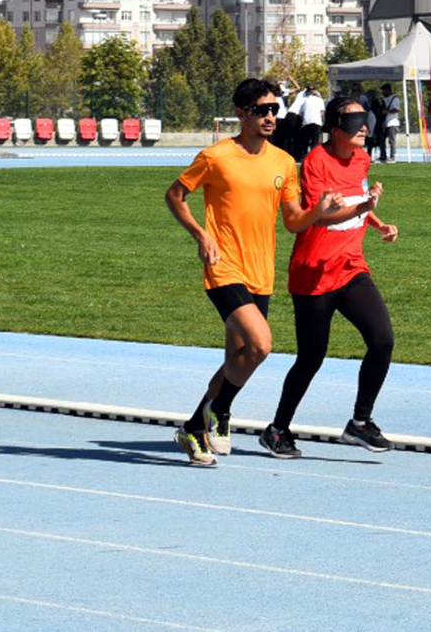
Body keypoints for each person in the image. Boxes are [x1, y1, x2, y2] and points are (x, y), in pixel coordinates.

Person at [165, 78, 344, 466]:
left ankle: (197, 425)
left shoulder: (282, 161)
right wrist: (200, 235)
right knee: (261, 345)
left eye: (274, 110)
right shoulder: (215, 156)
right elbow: (174, 195)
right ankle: (217, 411)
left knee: (239, 355)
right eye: (261, 110)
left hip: (260, 270)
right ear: (241, 114)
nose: (270, 117)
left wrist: (319, 212)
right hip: (223, 265)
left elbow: (293, 221)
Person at [261, 95, 400, 459]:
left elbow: (357, 199)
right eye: (356, 122)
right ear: (336, 129)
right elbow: (321, 217)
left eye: (366, 119)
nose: (365, 128)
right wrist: (364, 206)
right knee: (311, 357)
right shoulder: (315, 164)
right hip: (313, 274)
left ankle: (359, 423)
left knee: (382, 340)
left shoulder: (363, 158)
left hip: (351, 266)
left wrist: (378, 222)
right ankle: (277, 429)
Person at [297, 87, 326, 161]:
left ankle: (303, 158)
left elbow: (301, 112)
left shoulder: (305, 100)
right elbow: (322, 112)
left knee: (305, 142)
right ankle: (314, 158)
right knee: (315, 142)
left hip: (307, 122)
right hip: (317, 122)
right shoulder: (320, 100)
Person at [380, 83, 400, 163]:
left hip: (393, 123)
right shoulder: (384, 99)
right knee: (382, 140)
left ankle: (392, 156)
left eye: (384, 91)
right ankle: (383, 155)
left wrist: (387, 111)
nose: (383, 93)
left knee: (392, 140)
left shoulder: (395, 98)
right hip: (385, 123)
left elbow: (396, 109)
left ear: (388, 90)